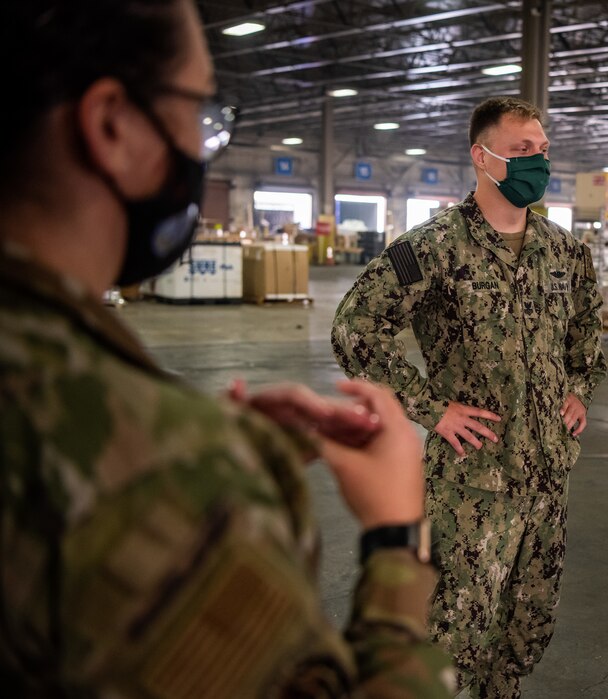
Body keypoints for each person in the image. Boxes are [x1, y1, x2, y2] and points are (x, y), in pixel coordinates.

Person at [0, 1, 453, 695]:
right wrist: (396, 539)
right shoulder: (166, 480)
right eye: (199, 108)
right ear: (112, 124)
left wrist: (194, 439)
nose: (201, 141)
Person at [332, 96, 607, 698]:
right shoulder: (432, 247)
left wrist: (578, 389)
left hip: (547, 479)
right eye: (521, 150)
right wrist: (432, 408)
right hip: (472, 486)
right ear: (482, 158)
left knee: (525, 631)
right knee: (452, 637)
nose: (539, 160)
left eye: (542, 148)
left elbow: (587, 329)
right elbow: (356, 328)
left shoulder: (564, 252)